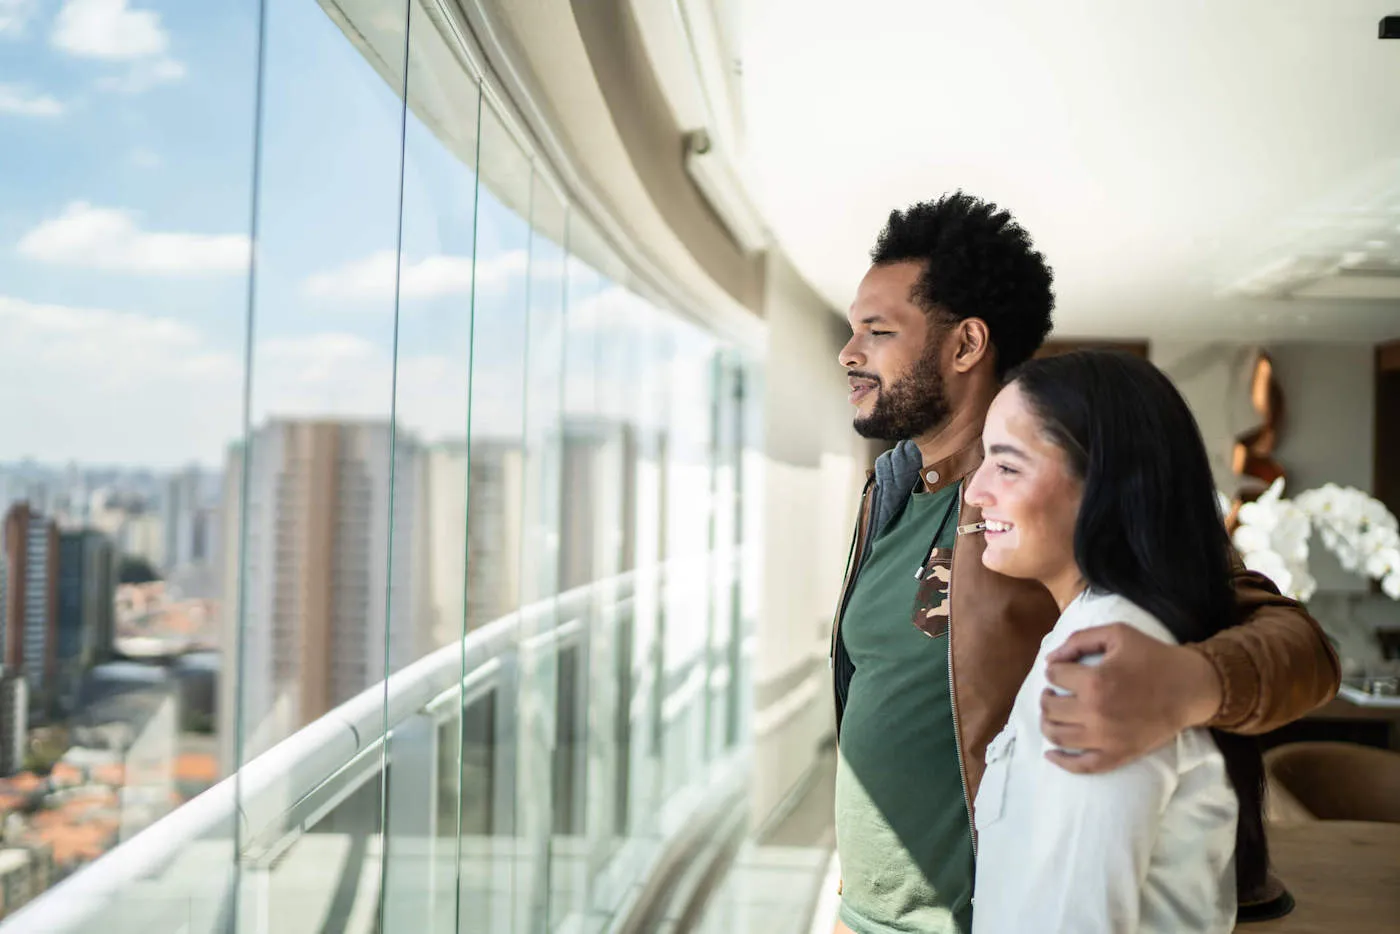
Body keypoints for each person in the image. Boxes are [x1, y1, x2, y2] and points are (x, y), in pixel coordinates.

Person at [831, 192, 1338, 934]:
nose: (849, 352)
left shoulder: (1055, 504)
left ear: (966, 345)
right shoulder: (893, 487)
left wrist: (1195, 682)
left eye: (877, 331)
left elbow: (1302, 647)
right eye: (853, 330)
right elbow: (885, 700)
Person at [966, 350, 1261, 933]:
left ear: (1102, 482)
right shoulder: (1094, 632)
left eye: (1006, 466)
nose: (975, 491)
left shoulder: (1104, 665)